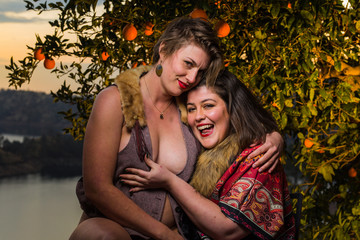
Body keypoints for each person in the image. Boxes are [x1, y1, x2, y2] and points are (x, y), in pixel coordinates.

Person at [70, 17, 284, 240]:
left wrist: (273, 137)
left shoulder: (191, 110)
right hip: (115, 230)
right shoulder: (115, 102)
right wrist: (163, 234)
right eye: (188, 64)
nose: (192, 78)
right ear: (164, 50)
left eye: (200, 72)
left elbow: (235, 119)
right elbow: (97, 189)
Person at [121, 70, 296, 240]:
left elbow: (227, 231)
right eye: (191, 109)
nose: (198, 116)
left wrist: (169, 181)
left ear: (232, 108)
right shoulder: (197, 145)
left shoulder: (259, 155)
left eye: (208, 105)